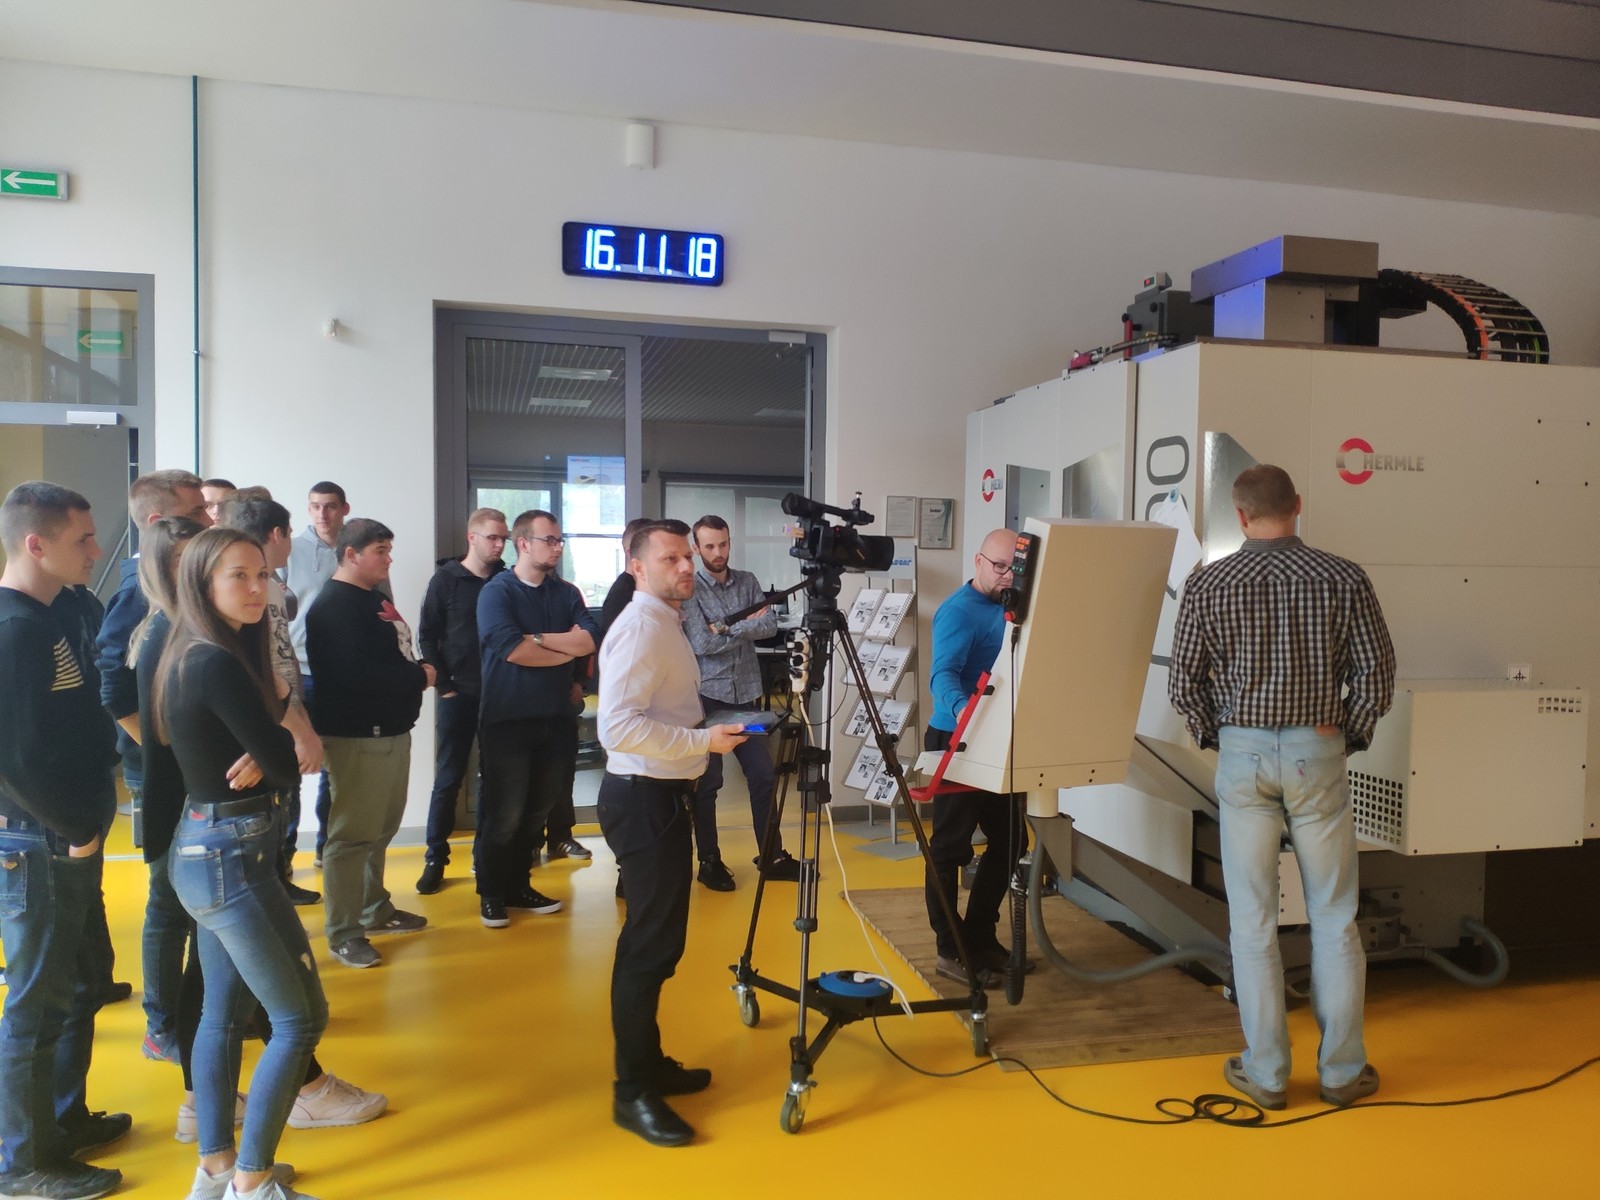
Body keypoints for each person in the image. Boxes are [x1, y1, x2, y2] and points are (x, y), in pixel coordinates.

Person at [1169, 464, 1395, 1111]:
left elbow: (1183, 684)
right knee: (1334, 915)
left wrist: (1222, 736)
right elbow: (1377, 674)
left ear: (1240, 516)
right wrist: (1344, 735)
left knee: (1252, 922)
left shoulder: (1208, 583)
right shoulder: (1343, 577)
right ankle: (1341, 1073)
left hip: (1242, 754)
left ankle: (1267, 1074)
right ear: (1298, 505)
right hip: (1316, 753)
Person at [151, 526, 326, 1200]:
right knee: (299, 1019)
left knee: (222, 1015)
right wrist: (273, 744)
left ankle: (217, 1168)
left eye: (262, 575)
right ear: (202, 583)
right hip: (228, 855)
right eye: (239, 576)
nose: (258, 589)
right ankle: (251, 1183)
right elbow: (286, 763)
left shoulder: (192, 649)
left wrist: (268, 744)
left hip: (211, 847)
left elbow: (274, 757)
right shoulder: (215, 662)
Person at [597, 519, 748, 1147]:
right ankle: (632, 1090)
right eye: (670, 559)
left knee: (660, 943)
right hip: (641, 799)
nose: (686, 567)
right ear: (637, 566)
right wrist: (700, 741)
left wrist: (702, 737)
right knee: (647, 947)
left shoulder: (666, 620)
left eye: (687, 556)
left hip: (660, 796)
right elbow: (616, 727)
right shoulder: (640, 627)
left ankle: (650, 1064)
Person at [0, 483, 128, 1200]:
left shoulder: (62, 610)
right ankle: (24, 1163)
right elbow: (14, 759)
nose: (96, 550)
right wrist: (75, 830)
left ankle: (61, 1119)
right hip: (40, 839)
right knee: (37, 1001)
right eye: (83, 539)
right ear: (35, 544)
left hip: (68, 832)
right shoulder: (14, 630)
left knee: (81, 982)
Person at [94, 469, 212, 1059]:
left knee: (200, 899)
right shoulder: (138, 593)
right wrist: (162, 748)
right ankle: (162, 1026)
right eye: (196, 513)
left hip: (188, 767)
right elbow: (112, 686)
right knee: (169, 901)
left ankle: (198, 1012)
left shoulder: (185, 588)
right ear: (160, 524)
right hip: (163, 772)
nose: (208, 520)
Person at [305, 518, 433, 968]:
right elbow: (354, 676)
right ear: (350, 554)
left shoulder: (372, 597)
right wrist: (419, 676)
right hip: (359, 736)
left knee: (379, 830)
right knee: (351, 837)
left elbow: (390, 653)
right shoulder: (334, 607)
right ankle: (343, 932)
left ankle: (374, 909)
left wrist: (414, 673)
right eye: (380, 550)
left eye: (388, 549)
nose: (389, 559)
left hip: (391, 730)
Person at [473, 510, 597, 928]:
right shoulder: (497, 593)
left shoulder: (566, 593)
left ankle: (518, 885)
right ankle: (492, 892)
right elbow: (513, 650)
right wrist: (563, 649)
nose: (558, 547)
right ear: (523, 544)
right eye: (550, 540)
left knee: (536, 811)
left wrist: (540, 639)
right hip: (508, 720)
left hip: (556, 720)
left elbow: (589, 640)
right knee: (504, 814)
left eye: (560, 540)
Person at [922, 527, 1028, 989]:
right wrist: (965, 708)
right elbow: (942, 673)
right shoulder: (958, 611)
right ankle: (950, 950)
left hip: (996, 741)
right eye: (999, 566)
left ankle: (980, 937)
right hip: (956, 737)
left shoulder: (1013, 606)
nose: (1006, 576)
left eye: (1014, 569)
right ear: (978, 562)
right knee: (950, 849)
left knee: (1011, 841)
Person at [216, 497, 323, 906]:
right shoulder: (248, 598)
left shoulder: (272, 587)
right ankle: (271, 888)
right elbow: (261, 670)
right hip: (267, 720)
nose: (254, 584)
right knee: (270, 811)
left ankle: (280, 879)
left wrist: (297, 712)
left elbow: (282, 654)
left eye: (259, 574)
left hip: (282, 711)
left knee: (284, 806)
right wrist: (294, 728)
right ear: (277, 534)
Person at [682, 515, 795, 891]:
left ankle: (771, 855)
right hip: (707, 697)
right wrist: (745, 627)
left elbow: (769, 626)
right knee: (708, 783)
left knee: (763, 775)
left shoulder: (748, 581)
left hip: (747, 695)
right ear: (696, 548)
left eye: (723, 544)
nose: (718, 552)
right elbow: (701, 643)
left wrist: (725, 626)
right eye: (709, 546)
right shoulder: (690, 589)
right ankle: (709, 860)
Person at [414, 508, 508, 894]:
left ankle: (484, 858)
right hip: (459, 695)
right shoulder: (446, 580)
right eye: (492, 537)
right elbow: (427, 635)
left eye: (503, 538)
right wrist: (445, 686)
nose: (499, 545)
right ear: (472, 537)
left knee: (494, 780)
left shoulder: (506, 580)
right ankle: (435, 859)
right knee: (449, 779)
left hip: (499, 696)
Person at [283, 482, 350, 869]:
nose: (322, 514)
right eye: (315, 506)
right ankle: (285, 856)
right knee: (289, 766)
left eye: (330, 506)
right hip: (298, 673)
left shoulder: (355, 548)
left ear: (344, 509)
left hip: (339, 674)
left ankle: (327, 846)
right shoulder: (289, 550)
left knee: (334, 767)